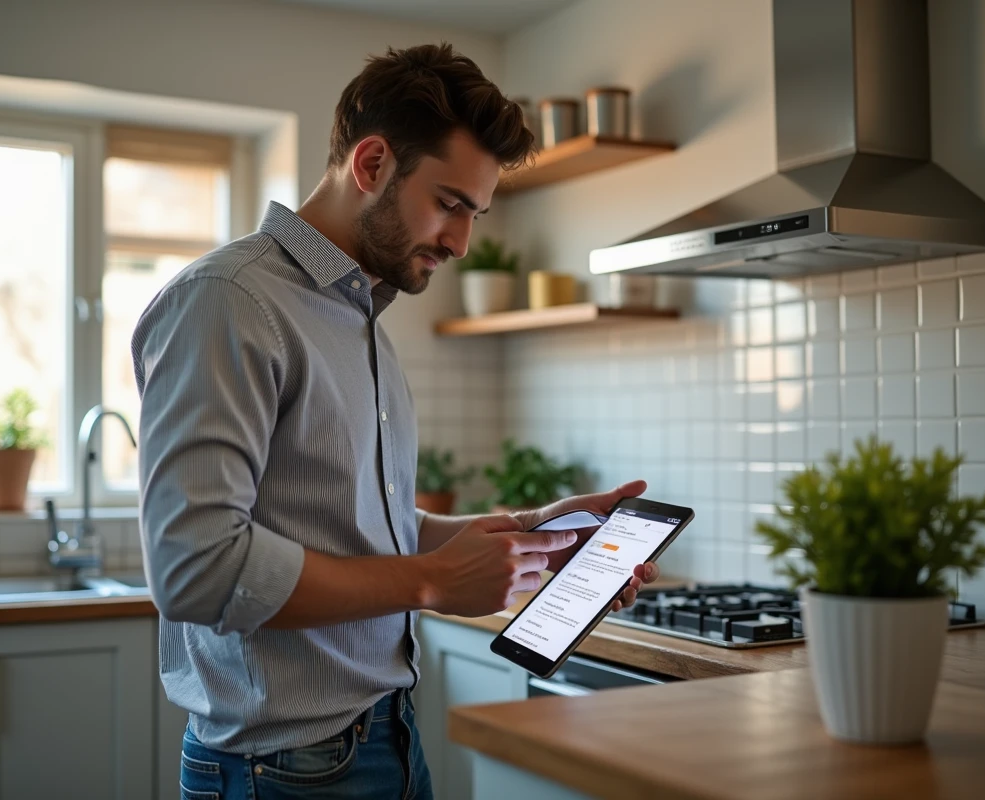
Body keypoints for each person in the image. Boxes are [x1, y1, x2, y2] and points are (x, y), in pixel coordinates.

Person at [132, 42, 660, 800]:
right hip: (281, 772)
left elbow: (361, 526)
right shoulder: (228, 301)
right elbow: (197, 566)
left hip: (390, 737)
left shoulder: (359, 318)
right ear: (372, 163)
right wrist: (431, 583)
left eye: (473, 214)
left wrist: (538, 528)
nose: (460, 241)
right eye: (449, 204)